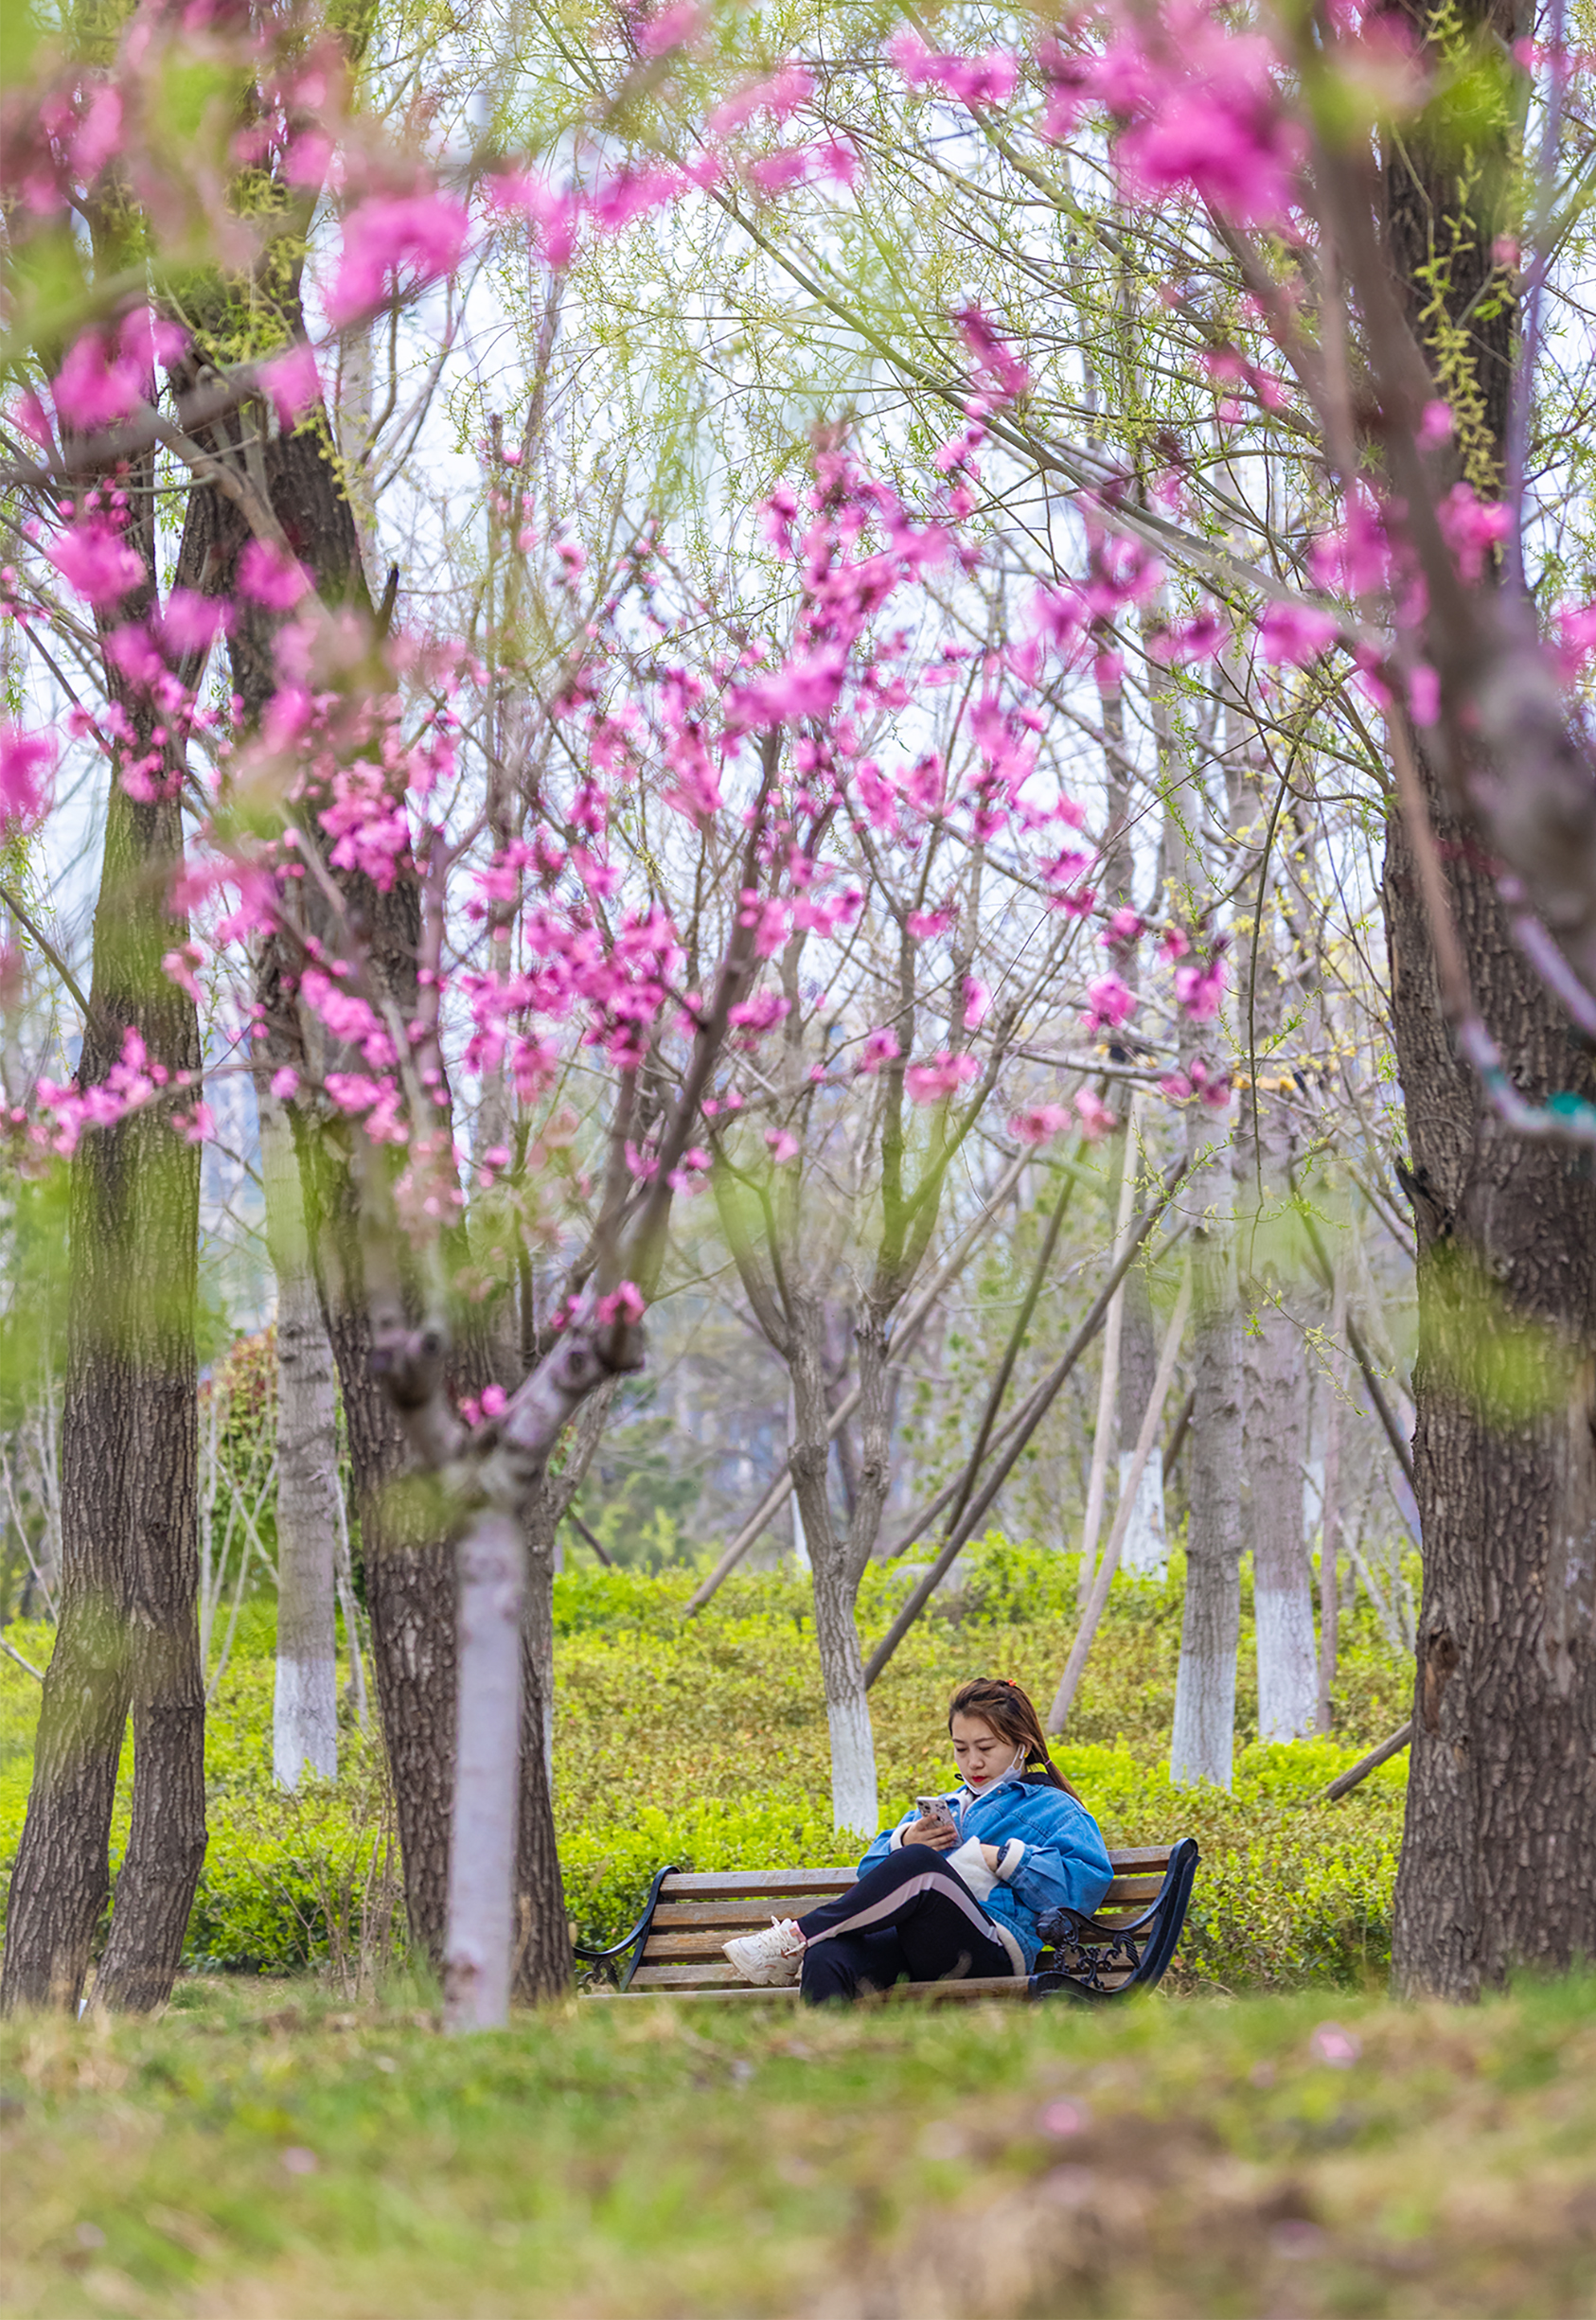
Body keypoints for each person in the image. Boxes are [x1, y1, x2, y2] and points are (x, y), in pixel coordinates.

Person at [722, 1675, 1114, 2001]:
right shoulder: (945, 1805)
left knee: (920, 1866)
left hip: (991, 1948)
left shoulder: (1055, 1808)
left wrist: (999, 1857)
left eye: (986, 1748)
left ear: (1022, 1746)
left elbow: (1084, 1884)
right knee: (829, 1956)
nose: (972, 1762)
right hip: (917, 1946)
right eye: (961, 1749)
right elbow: (873, 1879)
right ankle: (825, 2077)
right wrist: (906, 1840)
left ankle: (795, 1937)